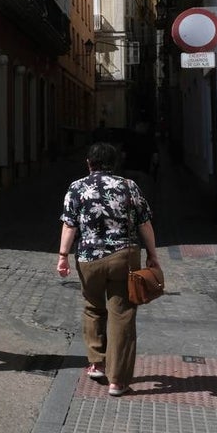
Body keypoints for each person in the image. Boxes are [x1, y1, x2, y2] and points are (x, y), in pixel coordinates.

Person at [56, 141, 159, 397]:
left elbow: (69, 225)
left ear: (88, 163)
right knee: (122, 314)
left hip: (88, 258)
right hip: (124, 256)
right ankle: (118, 380)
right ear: (115, 163)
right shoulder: (129, 186)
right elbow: (145, 223)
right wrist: (153, 255)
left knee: (92, 307)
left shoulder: (77, 187)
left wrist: (63, 256)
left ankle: (96, 363)